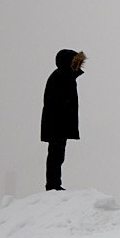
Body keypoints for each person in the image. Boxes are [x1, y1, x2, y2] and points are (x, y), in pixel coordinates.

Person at [40, 49, 84, 191]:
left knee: (57, 154)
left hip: (58, 124)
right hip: (57, 125)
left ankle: (54, 184)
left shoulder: (63, 77)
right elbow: (59, 103)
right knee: (56, 155)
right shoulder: (61, 77)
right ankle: (53, 185)